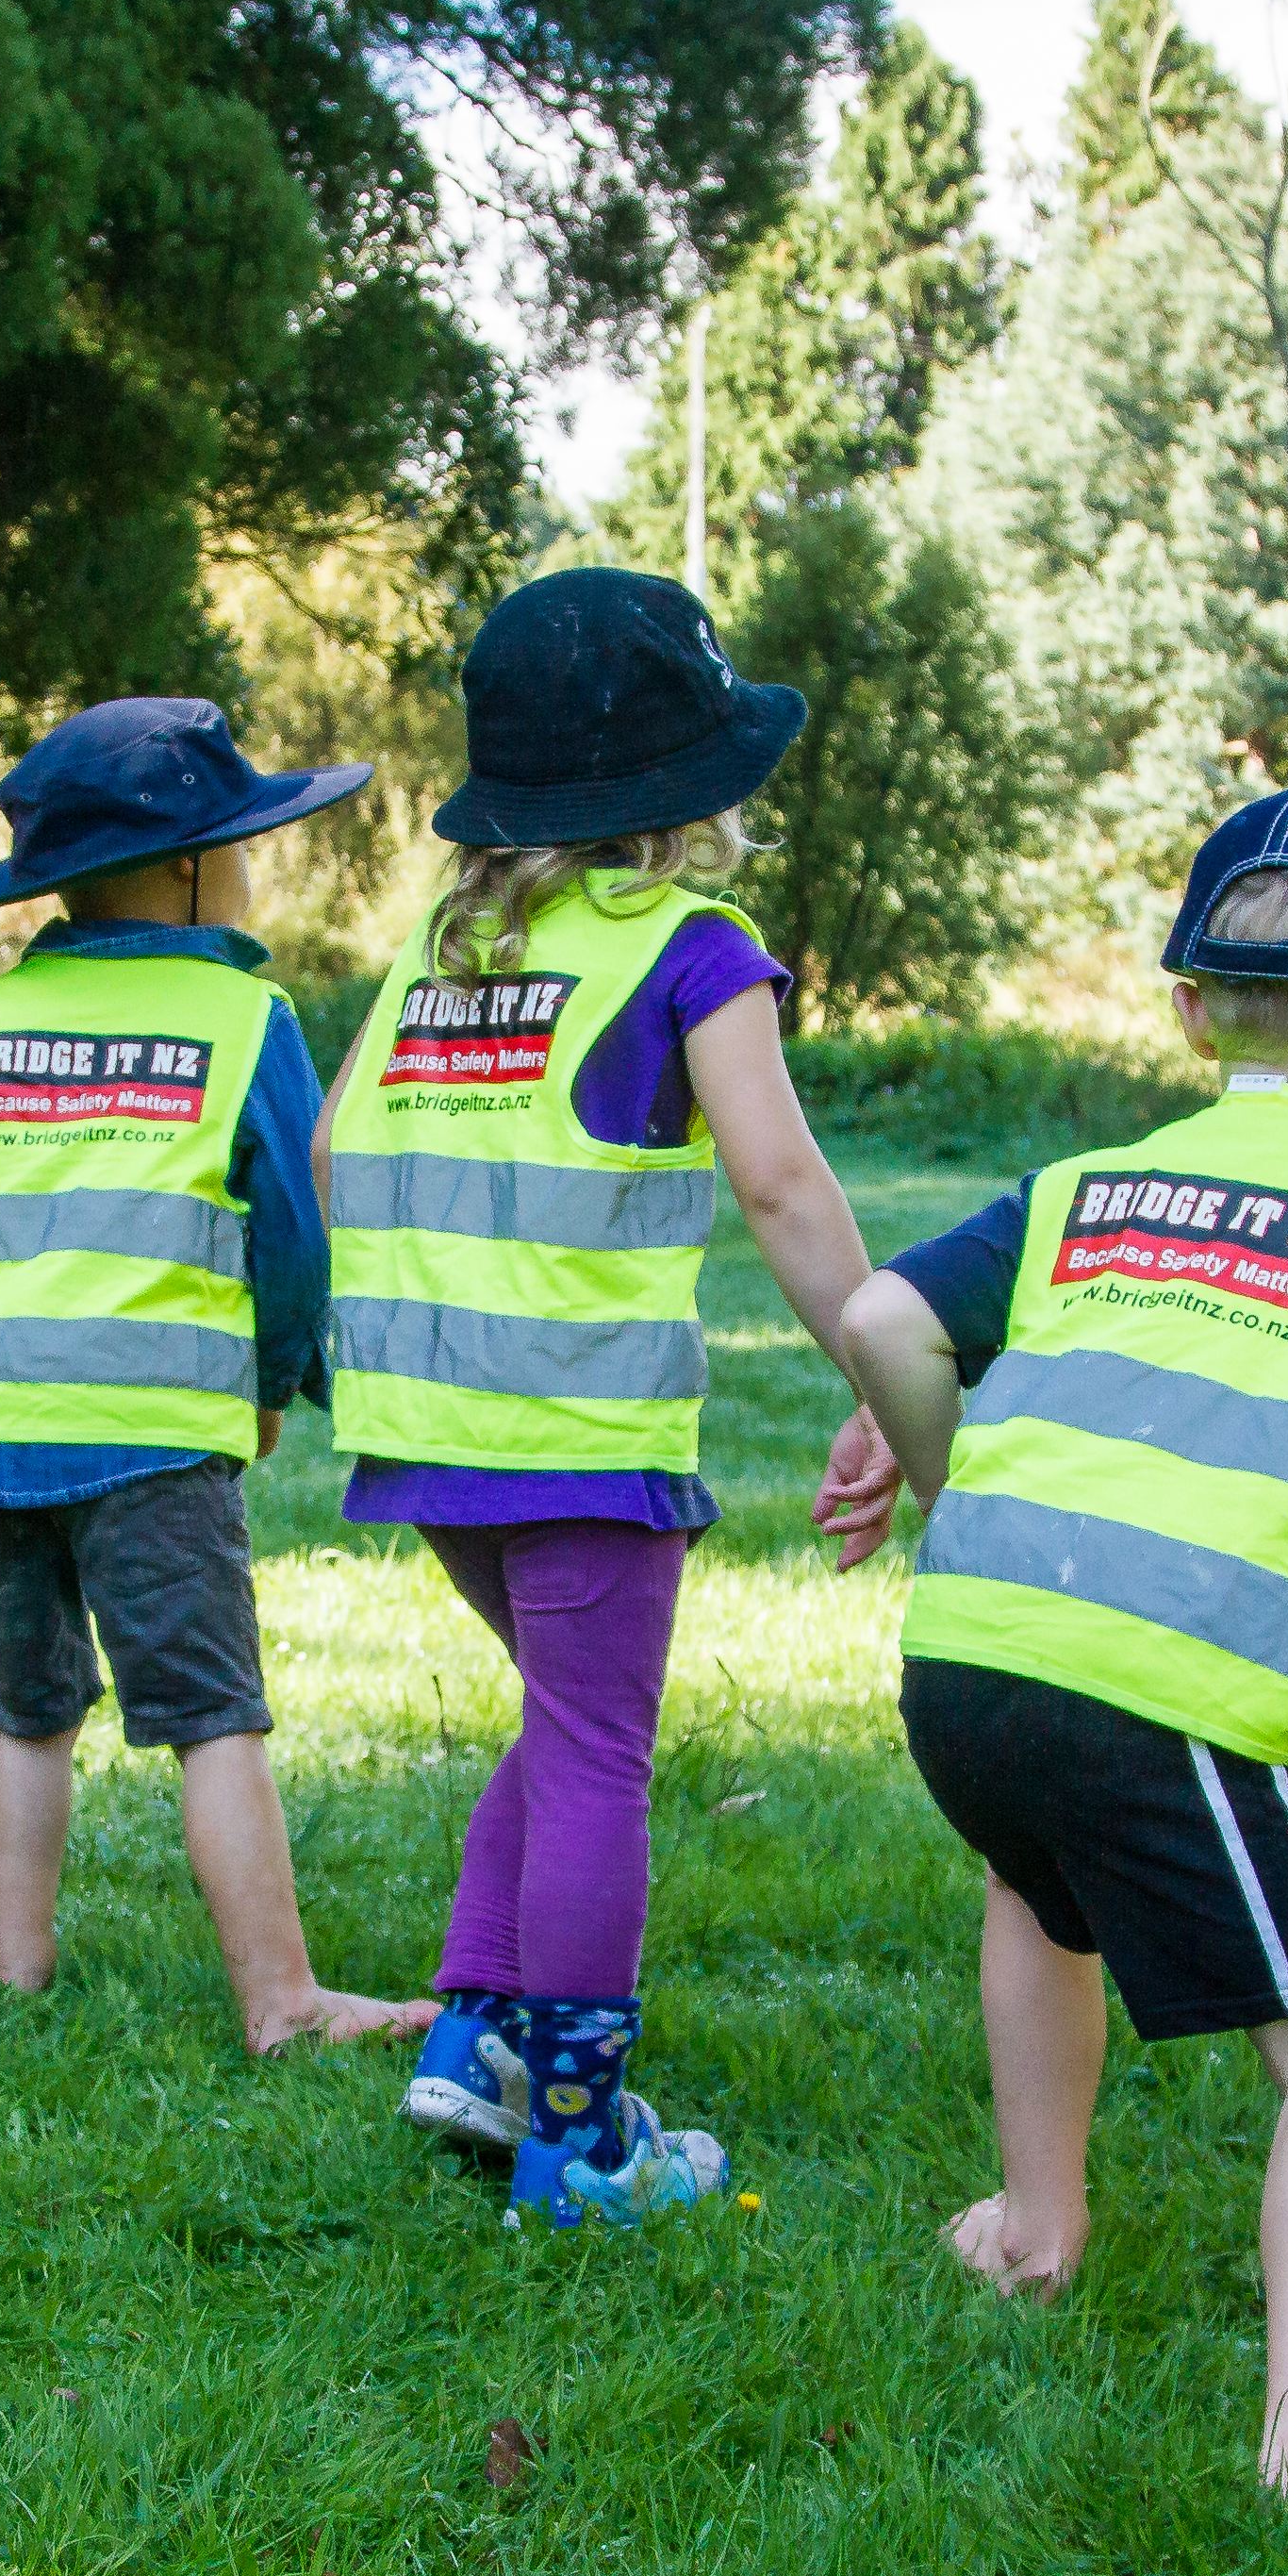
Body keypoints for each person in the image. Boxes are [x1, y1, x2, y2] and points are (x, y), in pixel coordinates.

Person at [819, 789, 1288, 2531]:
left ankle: (1036, 2225)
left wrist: (953, 1484)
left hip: (969, 1655)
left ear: (1193, 1014)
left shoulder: (1085, 1188)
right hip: (1175, 1682)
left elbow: (884, 1318)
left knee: (1037, 1882)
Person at [322, 568, 875, 2229]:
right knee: (594, 1756)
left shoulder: (438, 948)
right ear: (681, 783)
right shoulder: (694, 950)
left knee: (563, 1720)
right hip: (577, 1433)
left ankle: (477, 2037)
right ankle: (578, 2142)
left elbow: (338, 1146)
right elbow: (779, 1185)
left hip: (423, 1429)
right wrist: (884, 1365)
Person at [0, 696, 426, 2054]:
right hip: (151, 1427)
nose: (250, 864)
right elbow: (292, 1234)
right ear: (189, 868)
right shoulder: (241, 1018)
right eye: (240, 842)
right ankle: (284, 2002)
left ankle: (15, 1976)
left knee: (28, 1704)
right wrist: (275, 1381)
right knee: (210, 1716)